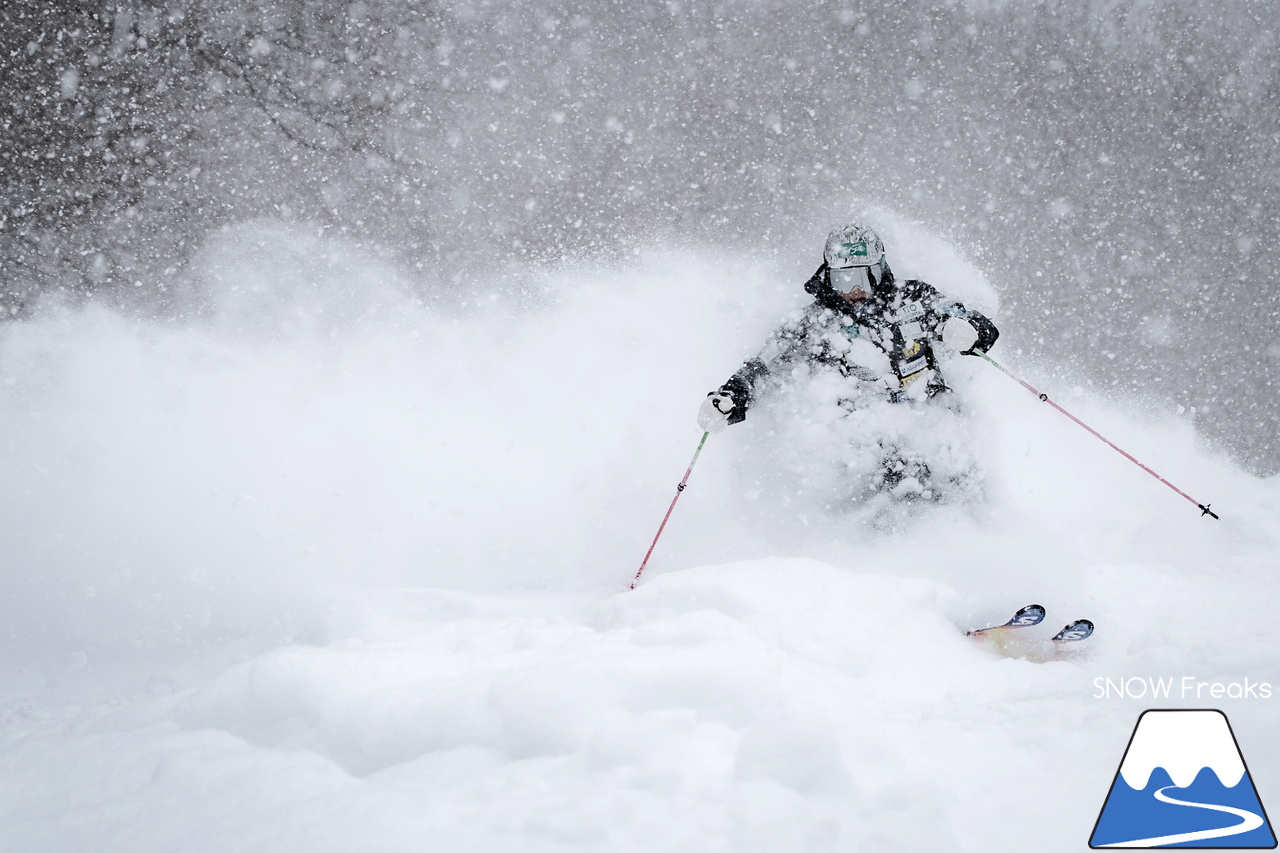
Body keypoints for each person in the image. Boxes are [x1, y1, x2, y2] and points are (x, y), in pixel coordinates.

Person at [696, 223, 999, 499]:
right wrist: (733, 394)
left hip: (938, 430)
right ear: (828, 275)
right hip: (872, 450)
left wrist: (968, 330)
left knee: (961, 489)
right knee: (895, 487)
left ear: (880, 270)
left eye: (864, 278)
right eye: (843, 278)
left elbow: (973, 323)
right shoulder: (816, 322)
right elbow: (767, 362)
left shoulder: (914, 299)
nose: (854, 290)